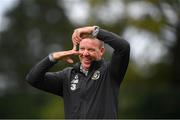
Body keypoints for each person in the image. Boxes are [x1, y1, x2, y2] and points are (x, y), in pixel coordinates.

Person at [26, 26, 130, 119]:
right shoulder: (67, 76)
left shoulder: (110, 71)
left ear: (101, 51)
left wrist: (92, 30)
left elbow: (123, 47)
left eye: (91, 49)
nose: (85, 53)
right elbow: (33, 79)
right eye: (82, 49)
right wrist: (53, 57)